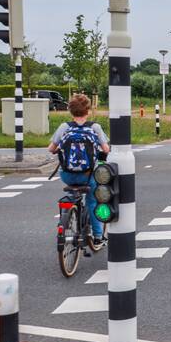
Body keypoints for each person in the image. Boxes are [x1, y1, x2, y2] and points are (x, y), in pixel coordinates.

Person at [47, 94, 111, 243]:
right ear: (88, 110)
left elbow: (51, 148)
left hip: (67, 175)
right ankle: (97, 236)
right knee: (92, 201)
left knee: (73, 191)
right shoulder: (95, 127)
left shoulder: (64, 127)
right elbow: (106, 149)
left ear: (71, 111)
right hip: (88, 176)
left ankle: (69, 215)